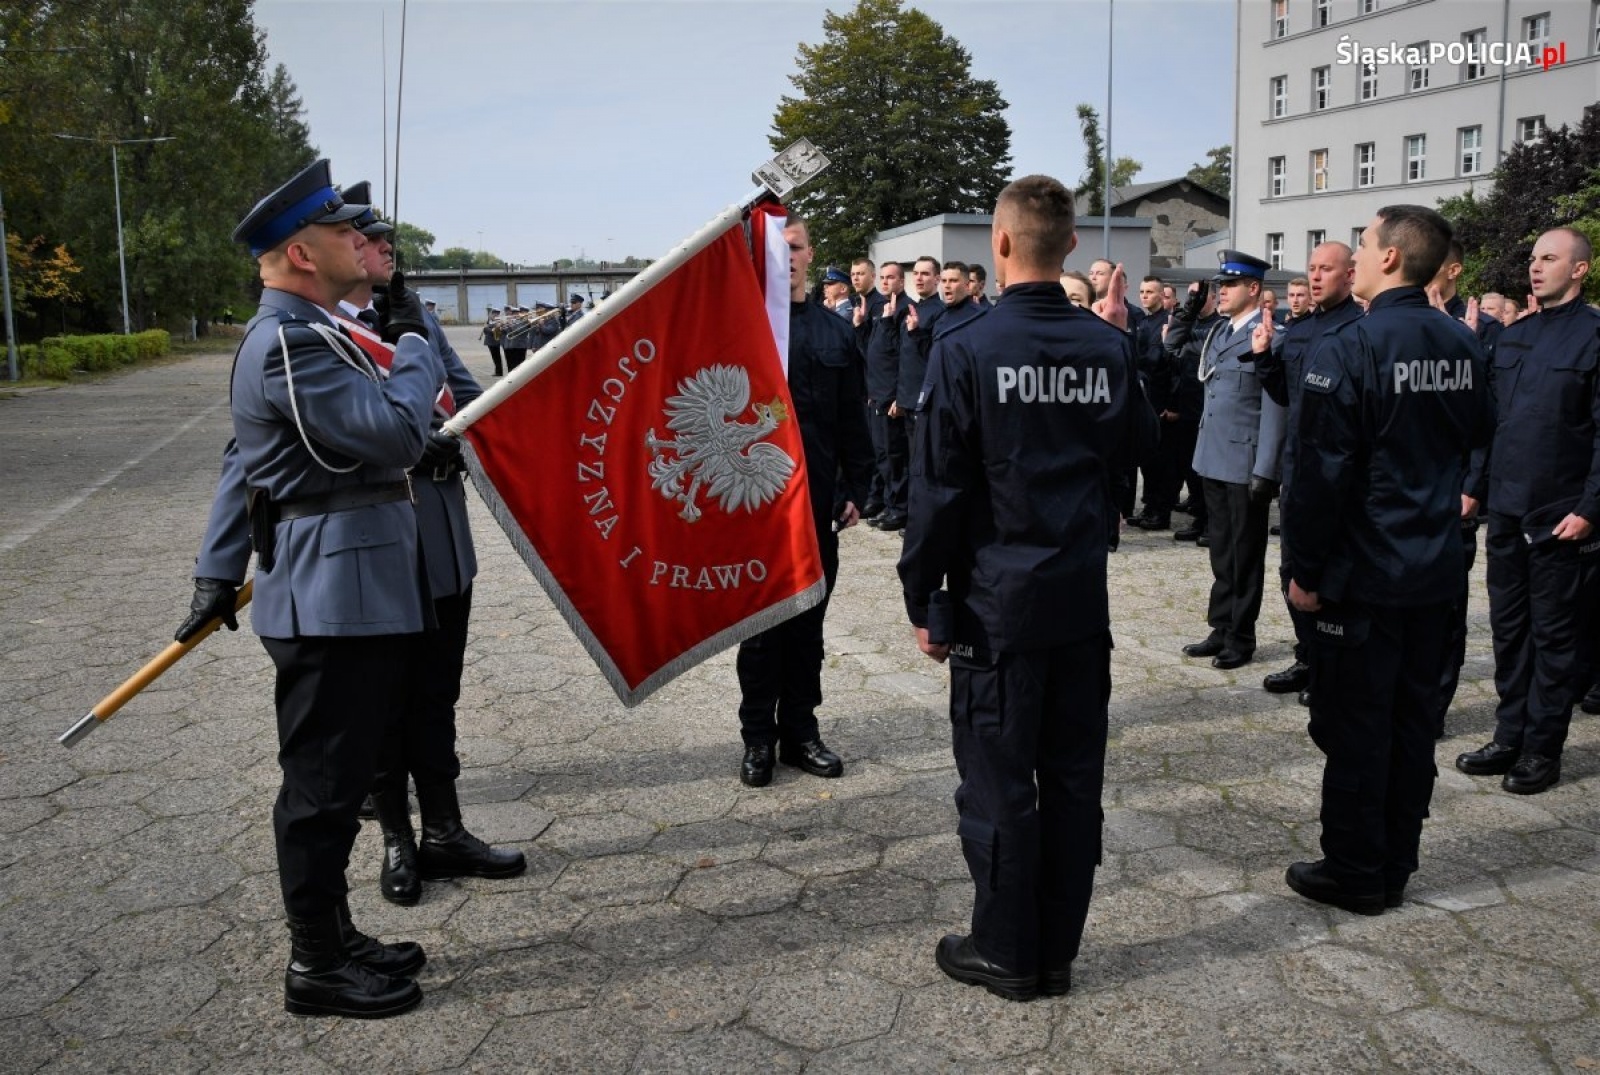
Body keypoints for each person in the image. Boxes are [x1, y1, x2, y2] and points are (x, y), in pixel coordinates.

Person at [177, 159, 444, 1018]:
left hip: (356, 587)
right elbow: (396, 435)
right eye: (340, 233)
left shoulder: (316, 331)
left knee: (334, 776)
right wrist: (412, 345)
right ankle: (315, 966)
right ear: (300, 251)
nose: (358, 244)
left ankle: (335, 936)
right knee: (324, 789)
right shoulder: (290, 340)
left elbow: (238, 464)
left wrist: (216, 573)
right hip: (335, 597)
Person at [899, 174, 1157, 1002]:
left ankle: (1008, 951)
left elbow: (936, 491)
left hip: (997, 607)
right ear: (1071, 245)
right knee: (1075, 777)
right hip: (1080, 602)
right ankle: (1057, 947)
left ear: (999, 244)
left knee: (1001, 780)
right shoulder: (1110, 346)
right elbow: (1133, 457)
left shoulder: (965, 345)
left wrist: (922, 597)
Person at [1282, 204, 1492, 913]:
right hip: (1433, 568)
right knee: (1410, 723)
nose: (1360, 253)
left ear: (1393, 258)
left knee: (1355, 727)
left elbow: (1318, 478)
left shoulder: (1352, 344)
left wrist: (1305, 572)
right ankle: (1396, 860)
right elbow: (1477, 433)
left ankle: (1355, 870)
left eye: (1366, 244)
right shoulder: (1462, 344)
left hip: (1363, 576)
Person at [329, 188, 528, 906]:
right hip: (373, 548)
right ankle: (396, 839)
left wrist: (459, 438)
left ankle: (445, 830)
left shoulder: (421, 323)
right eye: (370, 239)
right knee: (384, 700)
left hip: (439, 540)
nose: (384, 250)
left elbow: (479, 404)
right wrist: (417, 444)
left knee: (436, 695)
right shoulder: (323, 335)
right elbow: (342, 437)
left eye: (387, 241)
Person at [1456, 227, 1600, 794]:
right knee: (1509, 631)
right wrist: (1474, 486)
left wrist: (1592, 507)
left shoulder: (1594, 336)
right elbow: (1492, 426)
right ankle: (1509, 732)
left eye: (1549, 258)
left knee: (1555, 637)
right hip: (1507, 511)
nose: (1535, 267)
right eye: (1533, 257)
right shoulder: (1515, 337)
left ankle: (1543, 749)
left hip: (1561, 514)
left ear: (1580, 269)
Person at [736, 217, 874, 787]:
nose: (785, 257)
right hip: (755, 508)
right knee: (762, 630)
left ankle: (800, 732)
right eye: (775, 249)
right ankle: (757, 740)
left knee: (808, 628)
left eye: (794, 247)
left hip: (817, 506)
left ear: (810, 255)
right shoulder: (740, 332)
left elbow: (853, 425)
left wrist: (855, 489)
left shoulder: (835, 334)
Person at [1255, 242, 1363, 704]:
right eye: (1312, 269)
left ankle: (1331, 668)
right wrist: (1263, 358)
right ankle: (1307, 655)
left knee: (1329, 578)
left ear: (1350, 275)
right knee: (1291, 571)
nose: (1315, 277)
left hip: (1335, 472)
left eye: (1326, 269)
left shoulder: (1360, 331)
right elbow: (1285, 393)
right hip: (1297, 470)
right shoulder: (1299, 331)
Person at [1181, 250, 1286, 670]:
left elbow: (1276, 408)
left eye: (1229, 286)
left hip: (1245, 462)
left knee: (1245, 554)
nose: (1220, 292)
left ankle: (1242, 636)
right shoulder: (1221, 333)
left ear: (1254, 289)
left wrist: (1266, 468)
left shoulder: (1270, 336)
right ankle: (1221, 625)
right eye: (1220, 286)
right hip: (1213, 457)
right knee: (1222, 552)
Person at [1160, 281, 1222, 546]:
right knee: (1190, 469)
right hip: (1187, 405)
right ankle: (1199, 517)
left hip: (1207, 408)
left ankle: (1211, 522)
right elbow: (1171, 351)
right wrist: (1185, 314)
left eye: (1202, 295)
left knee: (1208, 472)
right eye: (1192, 295)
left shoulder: (1220, 326)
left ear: (1215, 298)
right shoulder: (1190, 324)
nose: (1196, 300)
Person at [857, 260, 910, 531]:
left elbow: (902, 358)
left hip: (891, 396)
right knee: (882, 454)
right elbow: (873, 353)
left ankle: (898, 508)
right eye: (884, 278)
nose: (886, 282)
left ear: (901, 281)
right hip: (876, 392)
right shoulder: (880, 309)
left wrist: (897, 397)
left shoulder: (902, 310)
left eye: (891, 278)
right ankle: (889, 504)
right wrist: (860, 326)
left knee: (894, 456)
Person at [480, 308, 504, 376]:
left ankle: (499, 372)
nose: (494, 315)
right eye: (493, 313)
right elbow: (485, 331)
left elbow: (495, 331)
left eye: (496, 314)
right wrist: (487, 328)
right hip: (489, 341)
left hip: (495, 341)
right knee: (494, 357)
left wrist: (488, 328)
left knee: (497, 357)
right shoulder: (489, 321)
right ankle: (497, 371)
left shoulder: (498, 321)